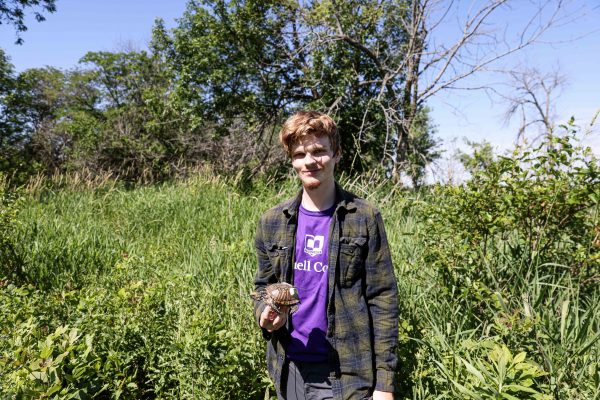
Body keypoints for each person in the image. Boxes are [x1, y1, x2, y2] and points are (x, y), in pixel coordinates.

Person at [253, 111, 398, 400]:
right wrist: (265, 315)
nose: (309, 161)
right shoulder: (272, 221)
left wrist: (385, 384)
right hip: (290, 367)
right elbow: (262, 287)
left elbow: (383, 299)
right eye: (299, 154)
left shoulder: (364, 217)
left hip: (347, 371)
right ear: (292, 160)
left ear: (337, 153)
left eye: (319, 151)